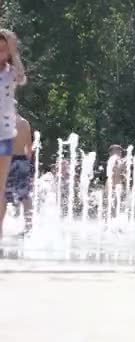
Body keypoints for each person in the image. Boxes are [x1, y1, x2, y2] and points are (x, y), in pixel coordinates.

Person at [0, 30, 26, 237]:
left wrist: (15, 51)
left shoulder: (11, 73)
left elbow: (22, 78)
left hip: (4, 135)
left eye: (4, 50)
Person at [0, 112, 32, 236]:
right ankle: (28, 227)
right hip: (22, 160)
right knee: (25, 195)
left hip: (7, 160)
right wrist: (27, 162)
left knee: (2, 194)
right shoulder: (24, 123)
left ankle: (0, 228)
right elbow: (29, 146)